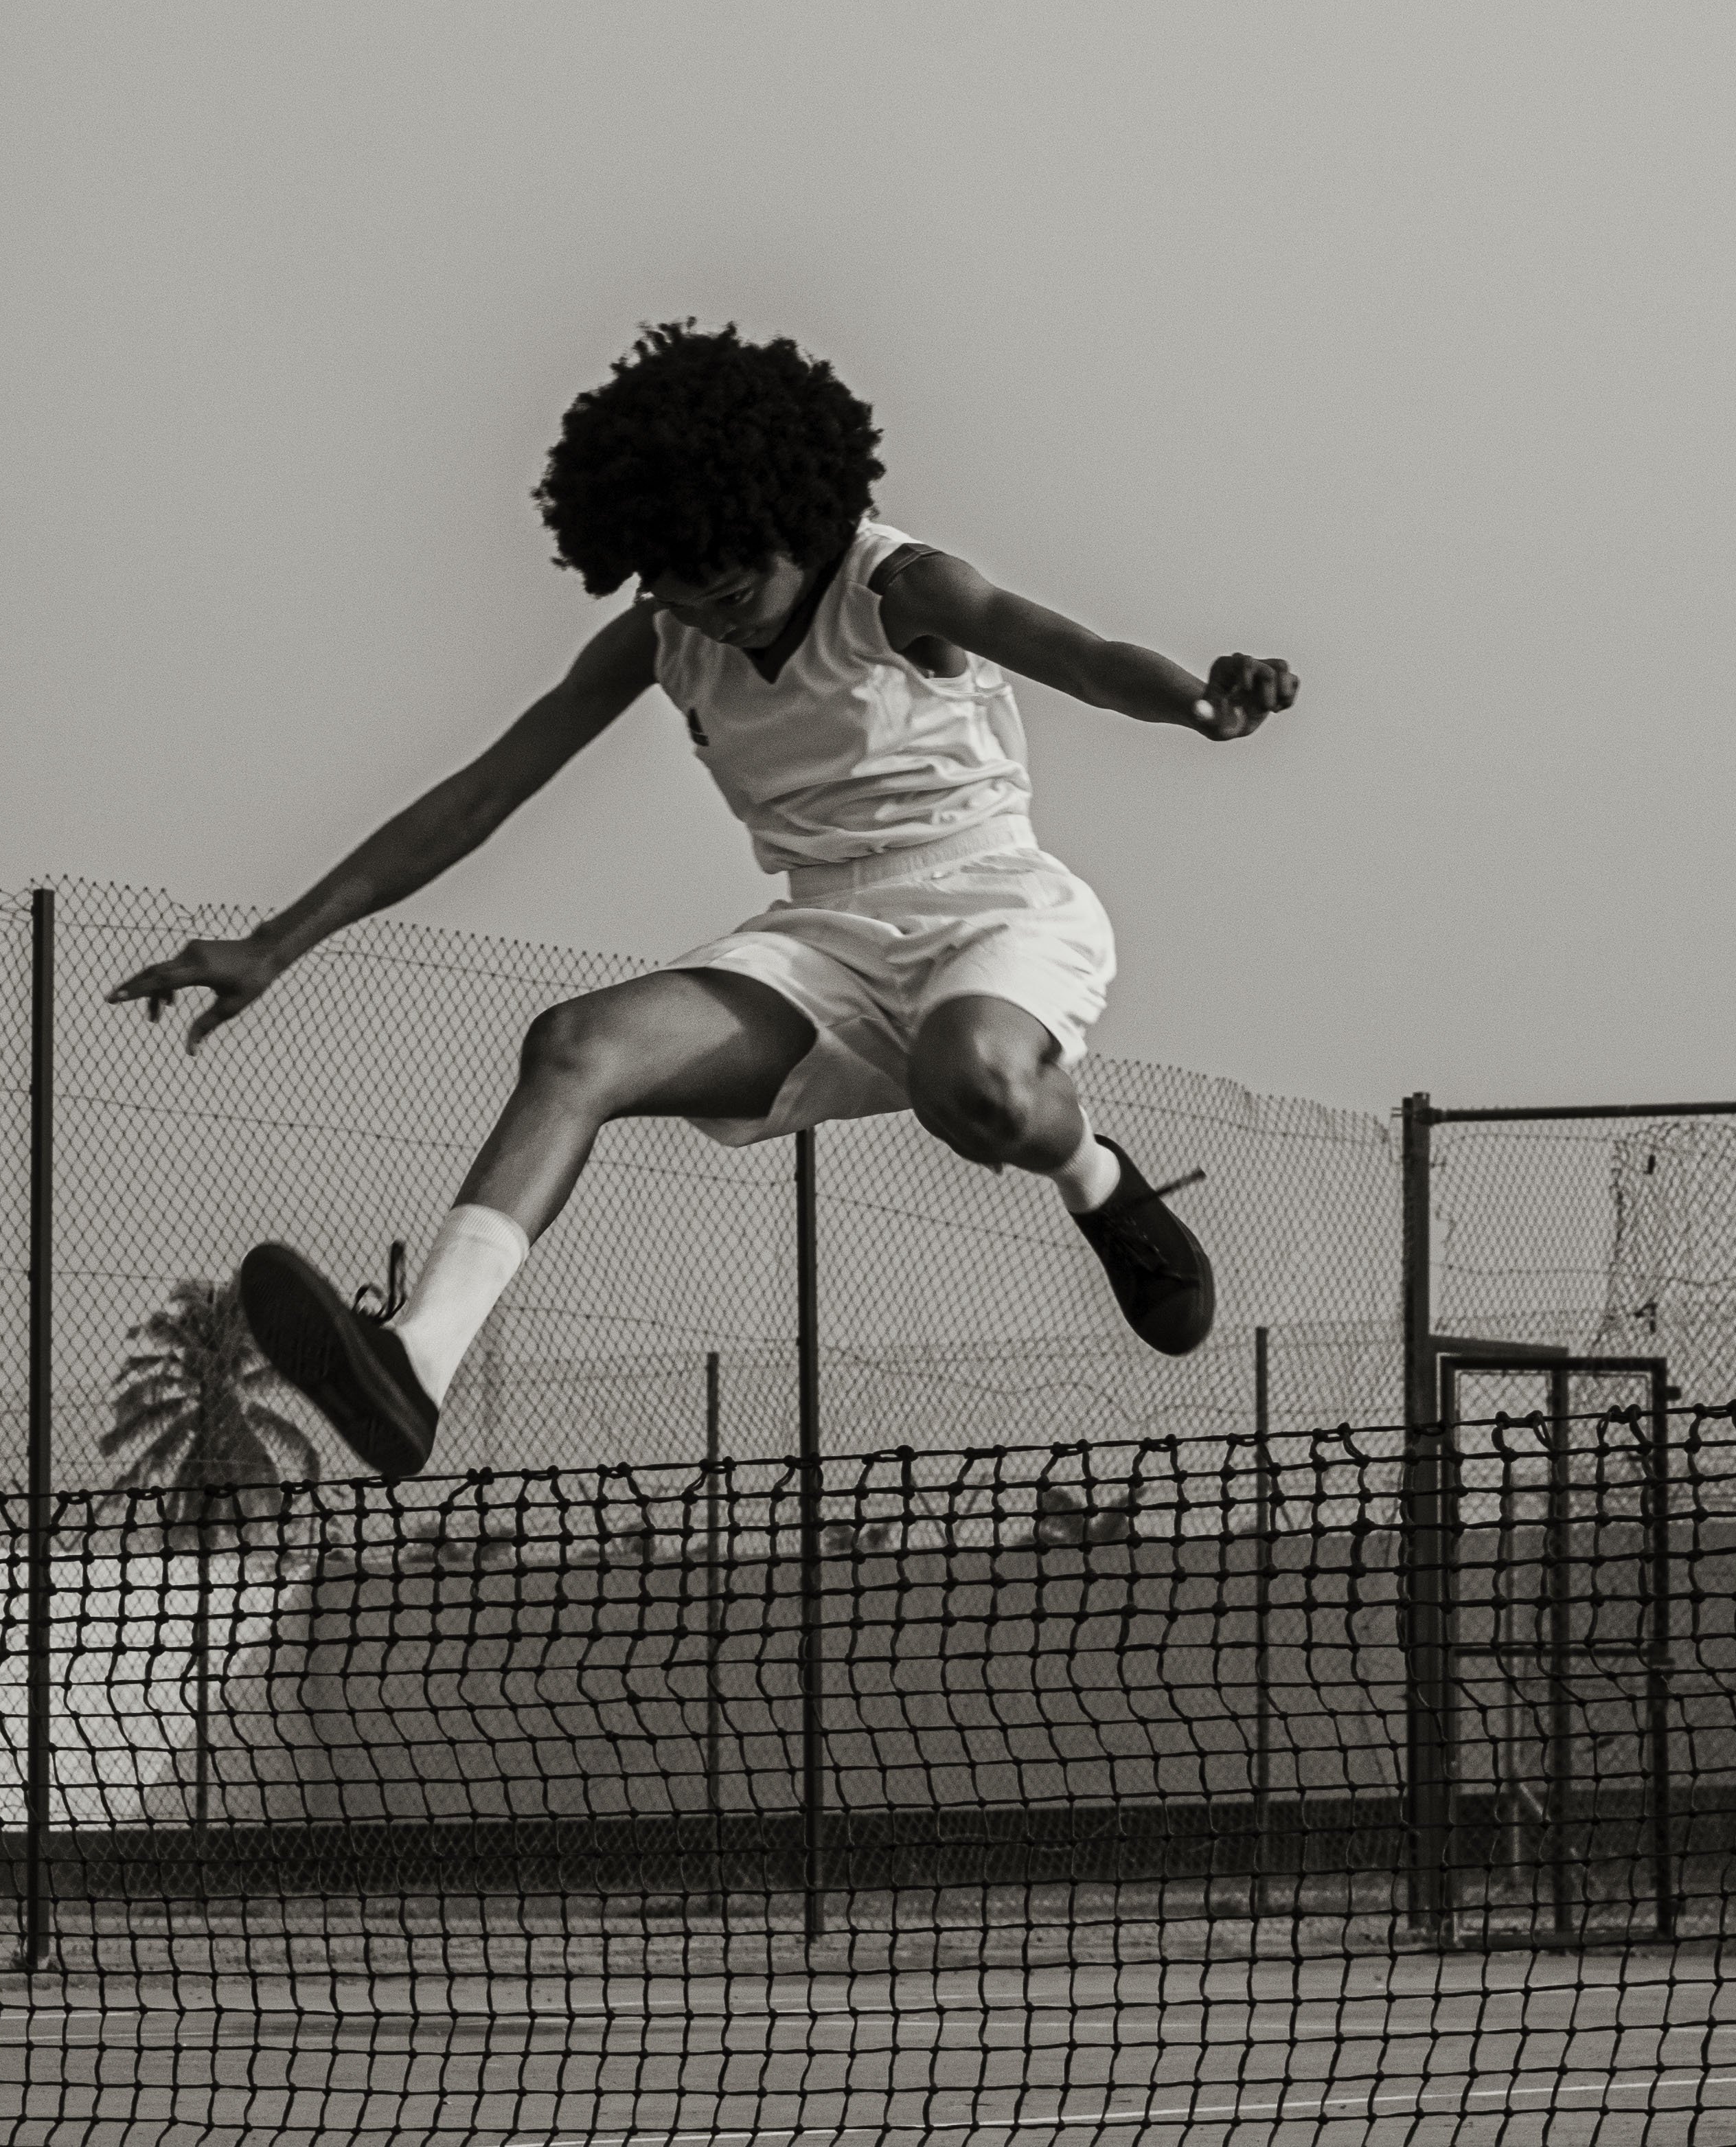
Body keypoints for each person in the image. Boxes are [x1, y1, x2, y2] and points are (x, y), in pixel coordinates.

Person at [108, 323, 1297, 1478]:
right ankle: (417, 1363)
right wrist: (275, 945)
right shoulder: (662, 638)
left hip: (988, 901)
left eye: (732, 590)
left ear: (794, 520)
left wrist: (1200, 703)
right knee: (576, 1046)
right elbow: (477, 798)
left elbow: (1080, 655)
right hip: (820, 937)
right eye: (684, 598)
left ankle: (1097, 1180)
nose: (713, 618)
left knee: (972, 1082)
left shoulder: (902, 588)